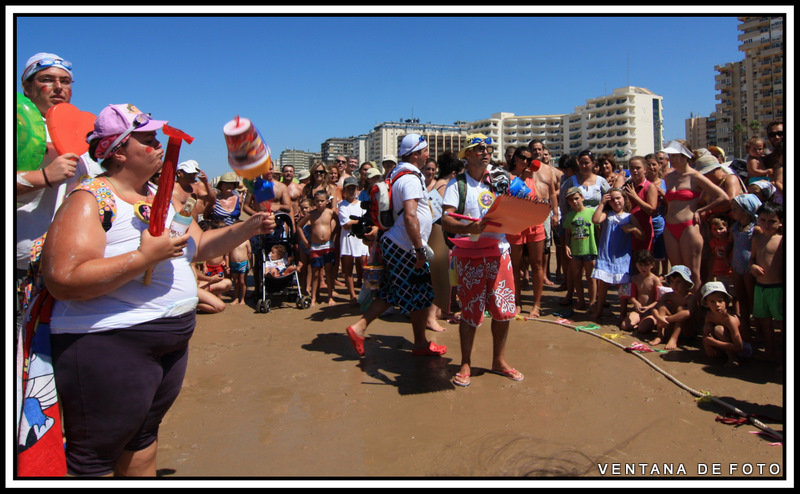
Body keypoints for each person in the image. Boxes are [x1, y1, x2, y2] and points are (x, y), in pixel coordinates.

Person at [41, 103, 276, 477]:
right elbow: (64, 278)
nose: (158, 146)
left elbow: (199, 248)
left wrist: (248, 228)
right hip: (109, 342)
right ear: (118, 150)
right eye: (148, 139)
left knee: (142, 441)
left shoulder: (158, 196)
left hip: (167, 342)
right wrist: (140, 258)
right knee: (95, 459)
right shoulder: (90, 198)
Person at [345, 133, 446, 359]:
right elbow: (410, 217)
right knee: (421, 295)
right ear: (416, 154)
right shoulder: (410, 178)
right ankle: (419, 344)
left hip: (397, 243)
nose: (428, 154)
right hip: (406, 246)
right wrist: (420, 249)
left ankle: (359, 328)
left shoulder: (398, 173)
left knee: (390, 293)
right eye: (425, 150)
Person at [16, 53, 104, 288]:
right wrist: (44, 176)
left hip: (77, 259)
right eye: (47, 79)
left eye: (65, 81)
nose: (58, 87)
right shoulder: (17, 128)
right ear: (26, 87)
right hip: (26, 262)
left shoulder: (87, 132)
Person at [442, 133, 522, 387]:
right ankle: (465, 362)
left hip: (499, 252)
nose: (485, 152)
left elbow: (519, 204)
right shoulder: (457, 185)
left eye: (487, 148)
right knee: (470, 311)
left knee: (504, 310)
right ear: (467, 155)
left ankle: (498, 361)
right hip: (469, 255)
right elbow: (446, 220)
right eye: (478, 149)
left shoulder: (499, 180)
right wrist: (471, 230)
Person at [660, 140, 729, 293]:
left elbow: (722, 196)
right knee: (677, 273)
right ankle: (682, 307)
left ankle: (695, 309)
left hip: (688, 226)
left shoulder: (695, 176)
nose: (670, 159)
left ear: (684, 156)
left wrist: (701, 210)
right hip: (670, 226)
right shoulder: (669, 177)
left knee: (693, 273)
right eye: (669, 155)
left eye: (673, 155)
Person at [506, 147, 547, 317]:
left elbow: (545, 195)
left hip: (534, 222)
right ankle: (517, 302)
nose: (525, 162)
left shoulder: (535, 176)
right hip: (515, 223)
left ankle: (536, 305)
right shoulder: (507, 176)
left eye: (529, 160)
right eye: (522, 157)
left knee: (537, 264)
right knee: (515, 266)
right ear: (515, 157)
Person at [590, 188, 642, 320]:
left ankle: (623, 313)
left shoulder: (630, 217)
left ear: (624, 199)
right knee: (603, 287)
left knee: (623, 288)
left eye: (618, 198)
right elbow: (595, 220)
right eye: (612, 199)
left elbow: (643, 236)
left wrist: (634, 229)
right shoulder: (607, 214)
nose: (616, 201)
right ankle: (599, 310)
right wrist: (602, 203)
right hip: (606, 256)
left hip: (622, 258)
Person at [749, 201, 784, 361]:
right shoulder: (757, 239)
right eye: (763, 220)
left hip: (778, 288)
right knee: (764, 322)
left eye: (772, 221)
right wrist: (753, 266)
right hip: (760, 287)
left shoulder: (782, 240)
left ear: (781, 222)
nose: (767, 224)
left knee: (782, 324)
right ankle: (770, 352)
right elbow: (752, 259)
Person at [728, 194, 761, 342]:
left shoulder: (755, 229)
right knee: (741, 298)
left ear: (746, 210)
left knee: (752, 298)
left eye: (735, 209)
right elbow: (730, 244)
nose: (732, 211)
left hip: (749, 267)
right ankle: (745, 327)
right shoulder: (735, 227)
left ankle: (759, 328)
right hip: (736, 266)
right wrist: (726, 257)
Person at [297, 189, 339, 306]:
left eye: (322, 201)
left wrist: (333, 235)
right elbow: (299, 226)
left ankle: (330, 297)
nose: (319, 203)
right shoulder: (311, 214)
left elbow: (338, 224)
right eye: (317, 201)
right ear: (314, 202)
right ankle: (314, 297)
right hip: (315, 247)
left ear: (327, 201)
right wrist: (305, 242)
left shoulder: (330, 213)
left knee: (329, 272)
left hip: (328, 245)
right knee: (315, 273)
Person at [562, 187, 597, 311]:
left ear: (582, 198)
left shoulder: (592, 212)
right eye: (571, 200)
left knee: (591, 278)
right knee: (576, 277)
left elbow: (598, 230)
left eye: (576, 198)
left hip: (590, 249)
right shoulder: (570, 216)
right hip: (575, 251)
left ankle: (592, 302)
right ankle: (581, 302)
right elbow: (568, 233)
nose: (574, 202)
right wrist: (567, 245)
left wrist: (598, 248)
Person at [700, 281, 750, 368]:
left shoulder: (730, 319)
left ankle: (732, 358)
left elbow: (739, 346)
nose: (717, 305)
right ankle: (719, 353)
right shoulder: (709, 316)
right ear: (706, 303)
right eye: (712, 302)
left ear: (726, 301)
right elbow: (706, 334)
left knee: (719, 330)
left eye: (720, 301)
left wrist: (715, 343)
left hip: (744, 349)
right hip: (728, 344)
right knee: (707, 327)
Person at [338, 177, 369, 304]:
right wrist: (361, 220)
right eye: (349, 188)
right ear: (344, 189)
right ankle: (352, 296)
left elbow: (366, 220)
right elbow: (346, 224)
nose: (351, 190)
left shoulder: (362, 204)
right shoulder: (342, 205)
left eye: (353, 188)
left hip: (361, 240)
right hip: (348, 240)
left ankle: (367, 295)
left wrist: (359, 221)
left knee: (366, 269)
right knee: (348, 270)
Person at [622, 156, 658, 256]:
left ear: (645, 169)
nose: (635, 171)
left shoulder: (649, 186)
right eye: (632, 168)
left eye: (638, 168)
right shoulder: (627, 186)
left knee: (644, 261)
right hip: (628, 230)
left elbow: (651, 210)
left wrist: (635, 197)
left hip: (643, 230)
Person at [620, 250, 662, 333]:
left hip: (651, 311)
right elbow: (629, 295)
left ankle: (651, 322)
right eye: (640, 265)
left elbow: (661, 299)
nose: (643, 267)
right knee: (624, 326)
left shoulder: (655, 280)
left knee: (642, 329)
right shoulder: (634, 279)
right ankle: (641, 323)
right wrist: (635, 302)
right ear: (636, 264)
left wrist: (649, 307)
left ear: (652, 265)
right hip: (638, 311)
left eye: (646, 265)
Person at [644, 153, 669, 276]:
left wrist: (663, 195)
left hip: (660, 220)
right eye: (648, 165)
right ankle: (651, 276)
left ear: (659, 166)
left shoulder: (665, 183)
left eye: (654, 164)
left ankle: (664, 275)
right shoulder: (642, 183)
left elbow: (671, 203)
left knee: (662, 250)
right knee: (649, 251)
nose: (651, 168)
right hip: (646, 219)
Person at [228, 219, 252, 305]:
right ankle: (236, 298)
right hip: (234, 264)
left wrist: (251, 264)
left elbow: (249, 253)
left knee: (242, 282)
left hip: (243, 263)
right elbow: (228, 253)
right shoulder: (232, 240)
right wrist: (227, 265)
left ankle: (242, 298)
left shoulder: (246, 240)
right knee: (236, 282)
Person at [707, 216, 732, 285]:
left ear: (727, 228)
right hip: (718, 273)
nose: (718, 231)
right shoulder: (713, 242)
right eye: (715, 229)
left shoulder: (730, 242)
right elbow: (712, 257)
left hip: (729, 274)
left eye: (721, 228)